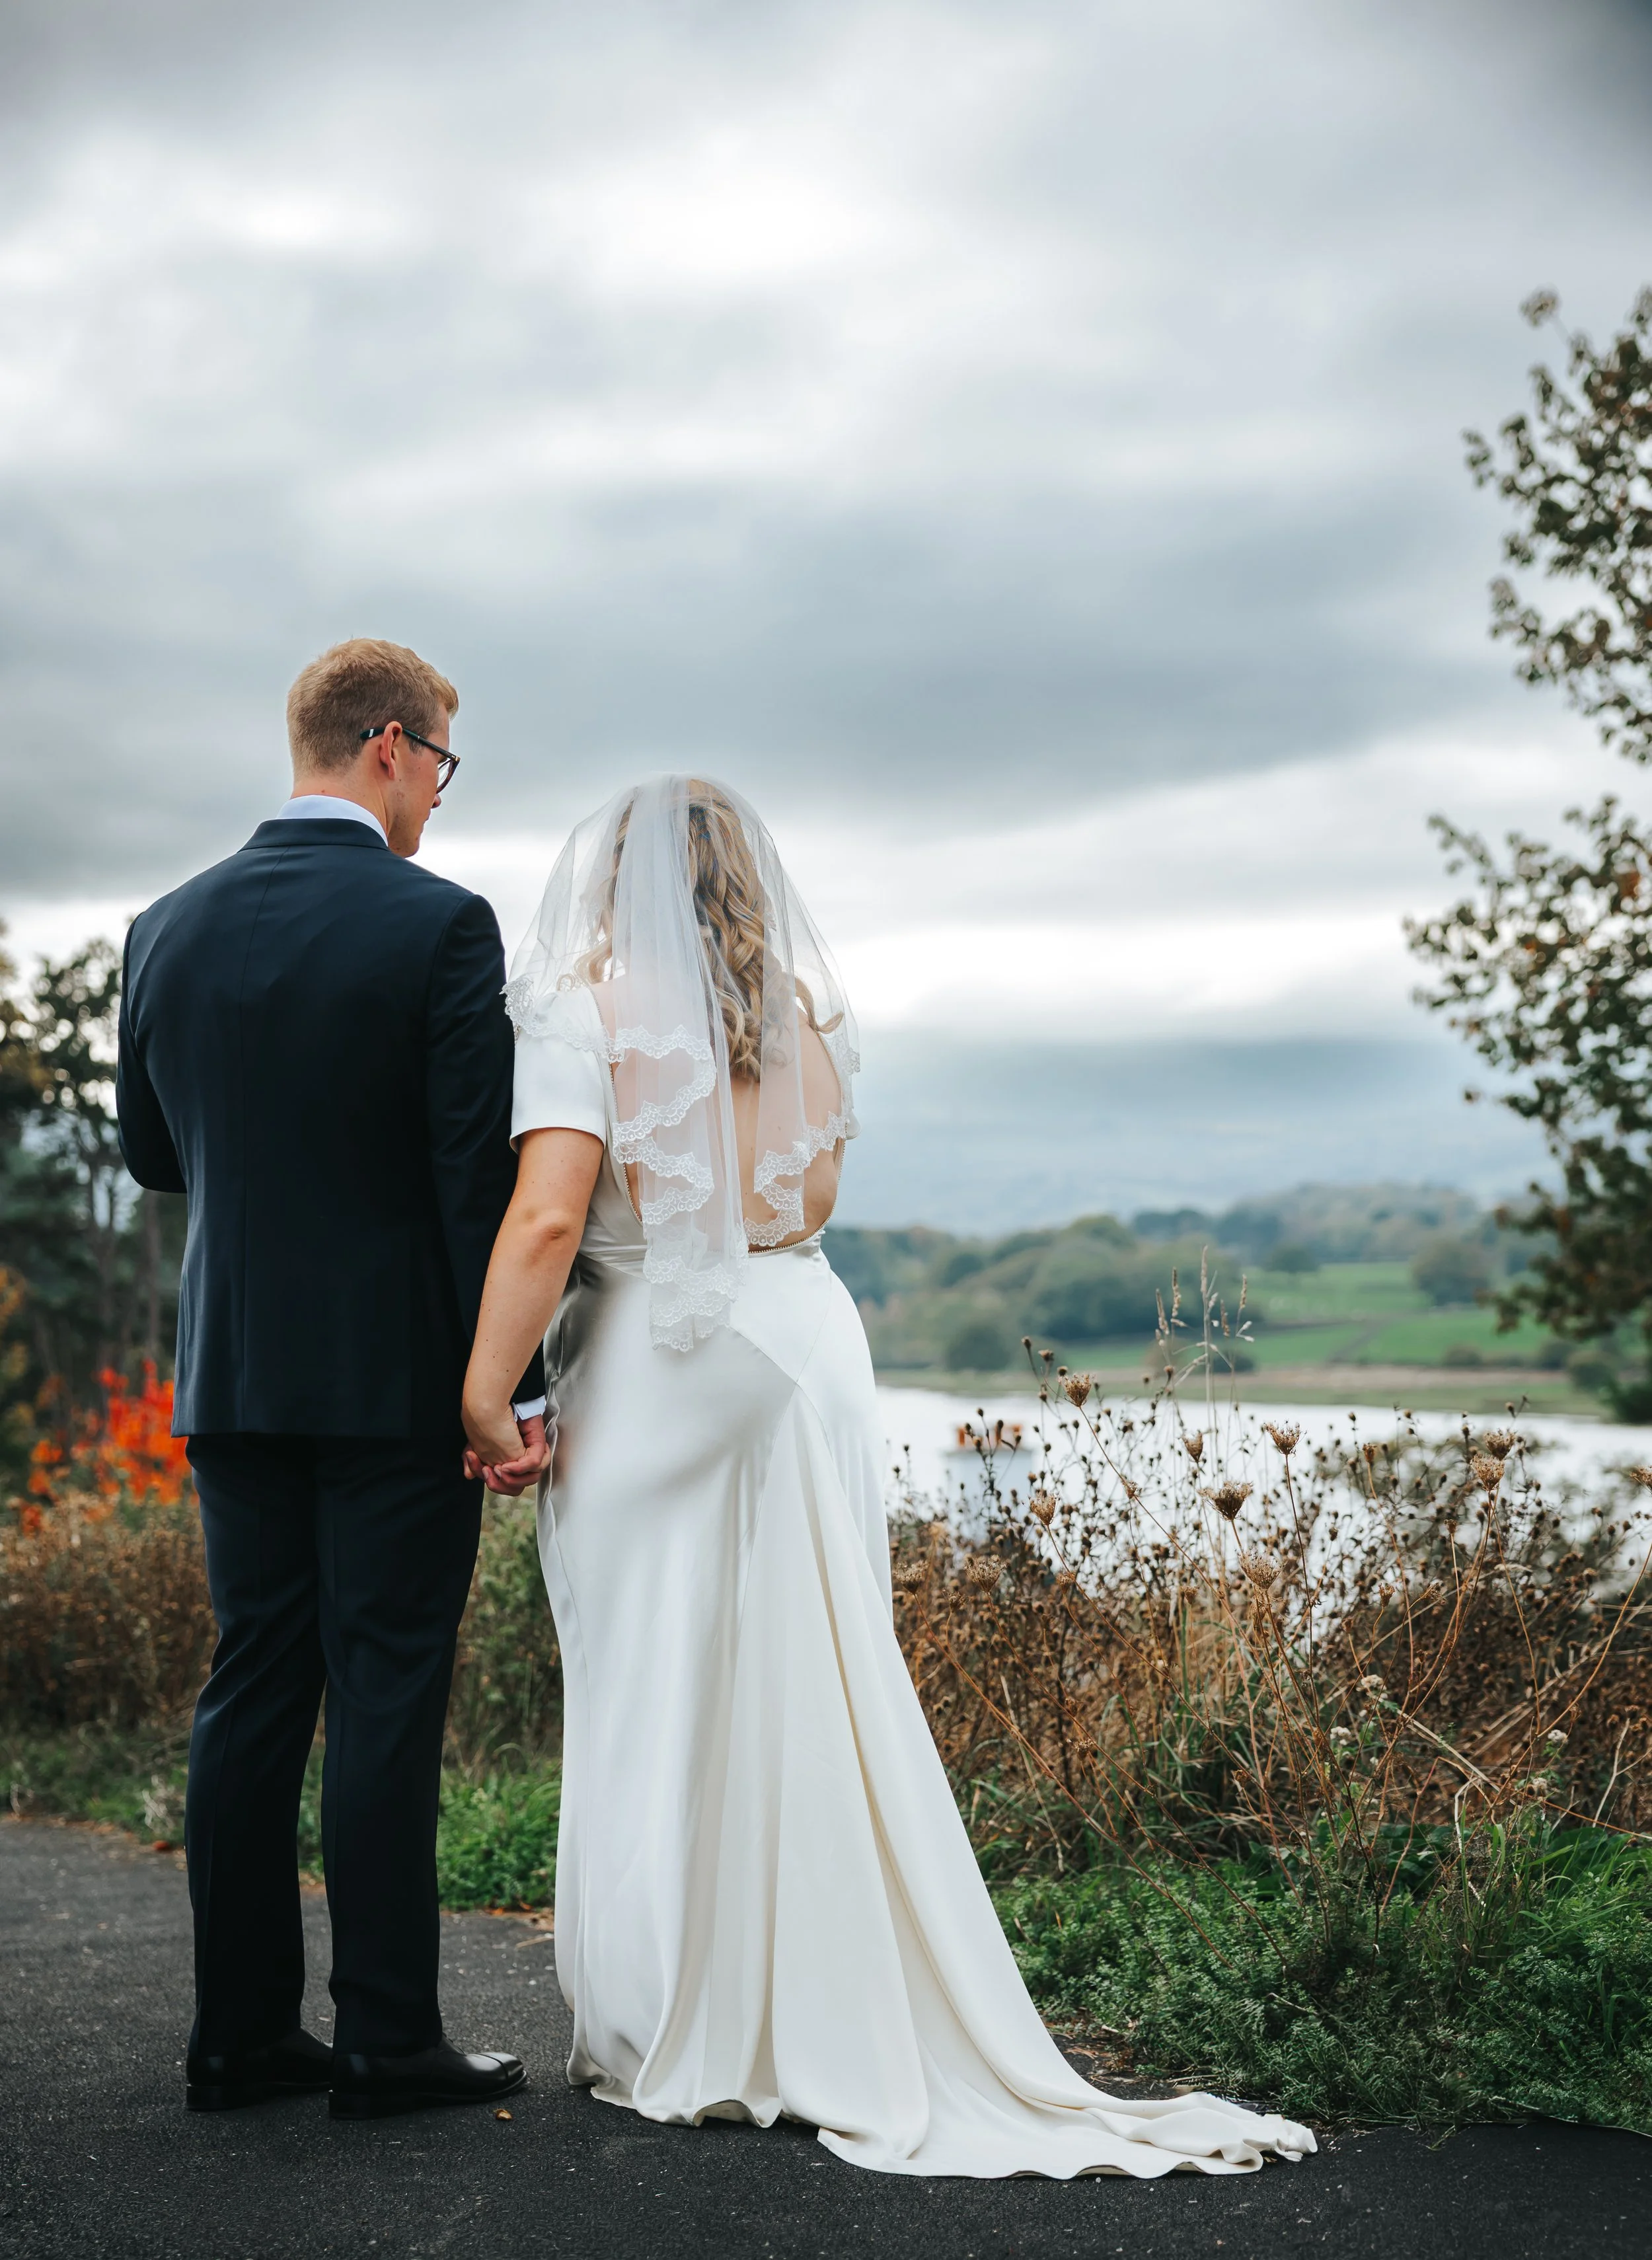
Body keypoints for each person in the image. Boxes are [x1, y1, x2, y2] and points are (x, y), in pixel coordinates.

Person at [460, 774, 1316, 2177]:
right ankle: (812, 1999)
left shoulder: (574, 1012)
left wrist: (486, 1390)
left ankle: (677, 2014)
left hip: (662, 1370)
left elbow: (552, 1211)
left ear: (614, 882)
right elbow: (805, 1206)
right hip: (803, 1344)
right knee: (808, 1675)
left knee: (659, 1673)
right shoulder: (797, 1016)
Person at [117, 638, 543, 2119]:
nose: (437, 795)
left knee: (251, 1689)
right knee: (383, 1692)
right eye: (438, 764)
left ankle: (236, 2035)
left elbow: (154, 1159)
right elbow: (464, 1186)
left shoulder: (160, 929)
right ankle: (384, 2036)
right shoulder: (437, 926)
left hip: (230, 1372)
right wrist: (516, 1387)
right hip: (392, 1384)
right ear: (386, 744)